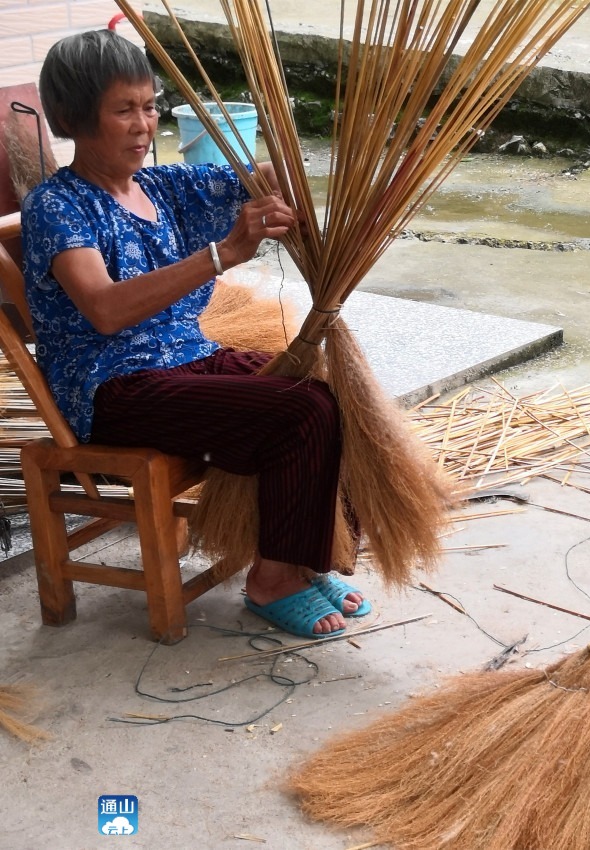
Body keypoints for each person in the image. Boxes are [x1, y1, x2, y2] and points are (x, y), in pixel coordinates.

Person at [22, 29, 368, 639]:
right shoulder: (59, 205)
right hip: (115, 390)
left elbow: (260, 175)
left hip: (188, 362)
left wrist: (302, 158)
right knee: (299, 411)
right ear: (77, 118)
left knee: (324, 384)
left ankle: (304, 559)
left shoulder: (162, 187)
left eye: (149, 106)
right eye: (123, 110)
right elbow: (103, 309)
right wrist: (224, 252)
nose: (143, 124)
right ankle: (271, 581)